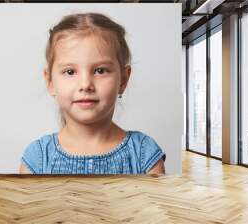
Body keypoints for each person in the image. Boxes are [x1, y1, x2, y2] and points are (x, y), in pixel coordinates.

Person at [19, 12, 165, 175]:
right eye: (69, 71)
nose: (85, 84)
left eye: (100, 70)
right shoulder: (36, 158)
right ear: (50, 82)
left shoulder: (144, 154)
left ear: (123, 80)